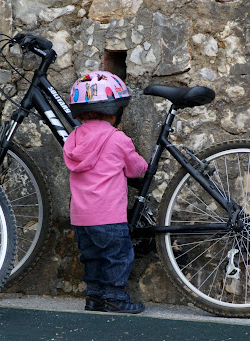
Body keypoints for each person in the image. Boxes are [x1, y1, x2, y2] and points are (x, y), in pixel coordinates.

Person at [63, 71, 148, 314]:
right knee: (117, 257)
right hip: (109, 217)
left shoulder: (73, 139)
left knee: (92, 258)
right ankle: (115, 298)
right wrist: (145, 166)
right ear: (114, 111)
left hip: (80, 219)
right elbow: (134, 168)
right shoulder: (117, 138)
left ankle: (94, 298)